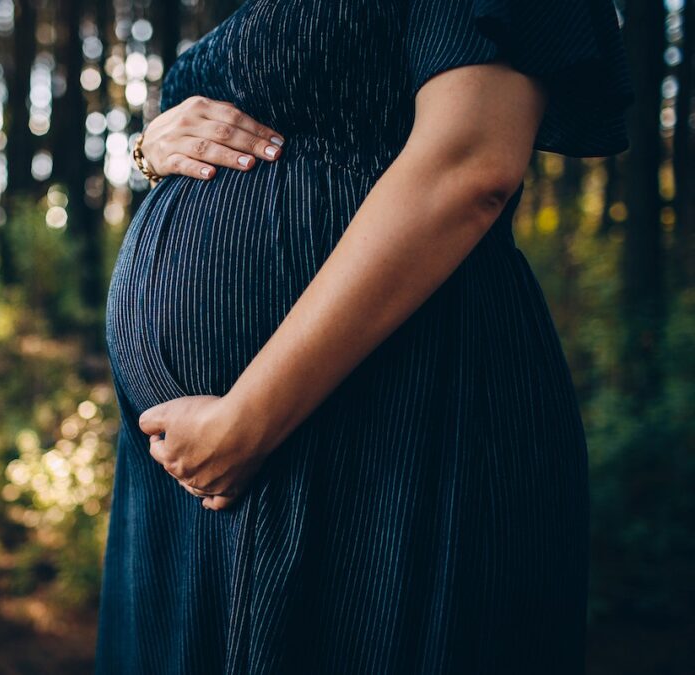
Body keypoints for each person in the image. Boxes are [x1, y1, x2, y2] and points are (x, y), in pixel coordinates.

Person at [97, 0, 634, 672]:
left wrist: (248, 417)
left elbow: (469, 164)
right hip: (189, 486)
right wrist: (153, 147)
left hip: (397, 422)